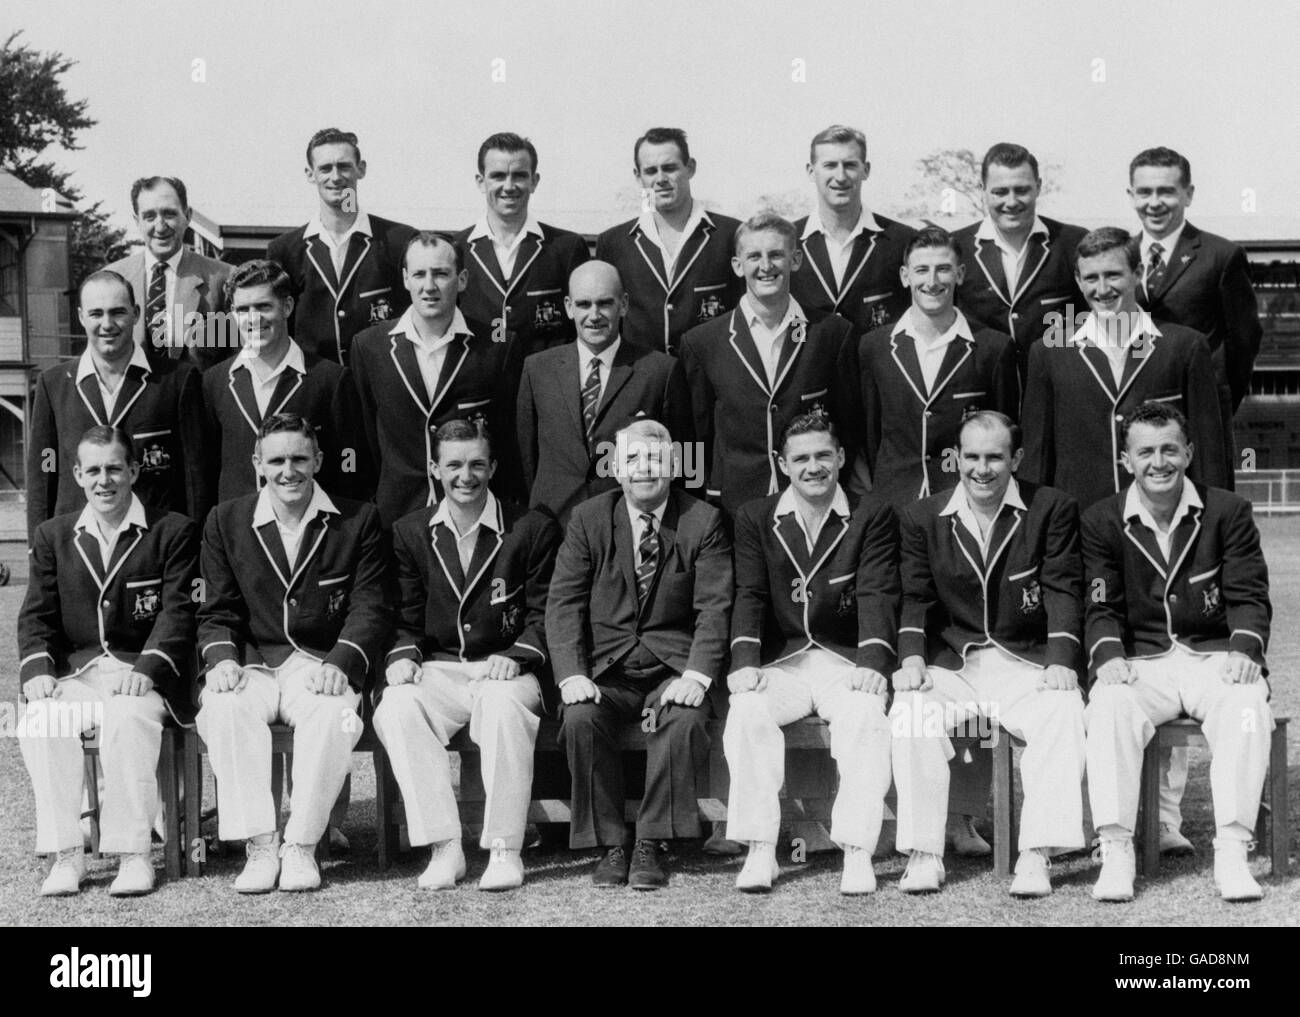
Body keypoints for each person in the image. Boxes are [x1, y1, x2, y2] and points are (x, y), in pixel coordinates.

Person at [1082, 401, 1273, 903]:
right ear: (1127, 460)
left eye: (1170, 449)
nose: (1159, 462)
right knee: (1108, 703)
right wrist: (1107, 655)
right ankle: (1117, 848)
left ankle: (1232, 849)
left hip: (1211, 656)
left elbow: (1249, 594)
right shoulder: (1102, 519)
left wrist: (1245, 649)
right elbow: (1099, 601)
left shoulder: (1228, 511)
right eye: (1145, 452)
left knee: (1248, 706)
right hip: (1145, 661)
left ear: (1188, 452)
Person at [890, 411, 1087, 897]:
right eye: (972, 457)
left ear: (1015, 458)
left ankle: (1037, 854)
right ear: (956, 458)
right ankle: (923, 853)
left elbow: (1064, 588)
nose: (982, 469)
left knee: (1063, 708)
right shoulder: (922, 515)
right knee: (911, 711)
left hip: (1024, 660)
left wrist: (1062, 657)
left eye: (995, 457)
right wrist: (911, 655)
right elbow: (915, 594)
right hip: (954, 662)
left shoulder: (1051, 508)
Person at [1128, 146, 1263, 847]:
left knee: (1193, 631)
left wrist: (1209, 413)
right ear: (1130, 193)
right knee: (1141, 637)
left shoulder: (1220, 256)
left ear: (1188, 191)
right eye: (1144, 191)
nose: (1155, 202)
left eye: (1167, 190)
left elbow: (1243, 342)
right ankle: (1133, 807)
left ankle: (1173, 813)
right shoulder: (1118, 256)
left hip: (1192, 453)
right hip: (1133, 465)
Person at [195, 413, 389, 893]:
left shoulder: (357, 519)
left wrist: (341, 663)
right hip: (254, 663)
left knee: (335, 714)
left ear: (318, 460)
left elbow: (372, 607)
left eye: (300, 458)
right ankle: (260, 844)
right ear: (257, 462)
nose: (289, 471)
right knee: (222, 707)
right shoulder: (226, 520)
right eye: (277, 459)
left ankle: (301, 845)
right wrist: (221, 660)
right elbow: (215, 610)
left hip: (319, 663)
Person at [546, 418, 733, 889]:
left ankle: (652, 842)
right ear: (615, 468)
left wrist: (696, 676)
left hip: (672, 670)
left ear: (674, 466)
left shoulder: (702, 521)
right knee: (579, 718)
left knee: (684, 720)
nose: (643, 468)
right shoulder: (589, 519)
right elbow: (564, 603)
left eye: (654, 459)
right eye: (631, 459)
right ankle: (611, 844)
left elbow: (714, 608)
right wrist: (571, 673)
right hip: (608, 671)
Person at [377, 419, 560, 891]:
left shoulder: (531, 527)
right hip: (441, 668)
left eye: (477, 464)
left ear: (493, 466)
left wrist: (519, 654)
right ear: (434, 468)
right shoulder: (409, 531)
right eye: (454, 465)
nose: (466, 476)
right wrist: (403, 654)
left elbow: (548, 612)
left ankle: (504, 848)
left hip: (506, 669)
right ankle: (444, 847)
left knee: (501, 705)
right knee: (397, 706)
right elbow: (404, 616)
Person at [18, 425, 198, 896]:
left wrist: (148, 669)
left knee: (125, 716)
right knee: (41, 718)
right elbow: (36, 615)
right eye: (93, 470)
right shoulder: (53, 535)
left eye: (115, 468)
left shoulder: (172, 530)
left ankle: (134, 854)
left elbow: (179, 612)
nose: (105, 480)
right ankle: (66, 855)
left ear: (134, 470)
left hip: (143, 676)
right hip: (80, 673)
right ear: (76, 475)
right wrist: (38, 670)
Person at [724, 413, 898, 894]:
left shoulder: (872, 513)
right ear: (782, 464)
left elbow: (879, 593)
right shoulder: (755, 517)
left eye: (823, 455)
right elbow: (750, 595)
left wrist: (874, 663)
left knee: (865, 714)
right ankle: (761, 848)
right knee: (746, 709)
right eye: (800, 458)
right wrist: (744, 663)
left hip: (845, 661)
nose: (813, 467)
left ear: (841, 458)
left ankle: (857, 851)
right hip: (785, 661)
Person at [680, 212, 854, 519]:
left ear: (795, 259)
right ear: (738, 266)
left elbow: (849, 426)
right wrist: (696, 502)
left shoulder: (830, 333)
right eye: (754, 256)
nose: (766, 266)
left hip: (815, 502)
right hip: (733, 508)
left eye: (776, 255)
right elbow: (694, 437)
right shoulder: (704, 342)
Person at [840, 225, 1019, 505]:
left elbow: (1006, 433)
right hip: (895, 502)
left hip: (964, 501)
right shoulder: (874, 347)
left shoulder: (993, 348)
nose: (932, 281)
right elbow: (871, 434)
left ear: (959, 274)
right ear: (904, 276)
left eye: (943, 269)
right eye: (922, 270)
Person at [351, 232, 518, 527]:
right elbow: (364, 439)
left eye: (441, 274)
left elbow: (506, 438)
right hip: (397, 517)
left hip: (475, 513)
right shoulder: (369, 346)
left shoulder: (497, 346)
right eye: (419, 274)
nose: (429, 286)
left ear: (462, 279)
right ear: (405, 279)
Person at [26, 270, 209, 539]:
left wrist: (196, 546)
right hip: (77, 551)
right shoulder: (53, 385)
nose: (107, 324)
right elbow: (45, 473)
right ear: (81, 317)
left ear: (135, 314)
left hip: (155, 546)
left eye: (118, 312)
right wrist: (38, 550)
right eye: (96, 314)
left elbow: (195, 476)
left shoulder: (177, 380)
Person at [516, 260, 691, 526]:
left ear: (624, 305)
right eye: (584, 304)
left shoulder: (660, 371)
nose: (594, 315)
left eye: (605, 303)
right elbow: (527, 459)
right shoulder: (538, 368)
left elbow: (685, 458)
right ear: (568, 307)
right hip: (553, 526)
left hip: (629, 526)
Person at [202, 259, 365, 503]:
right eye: (243, 310)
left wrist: (346, 508)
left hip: (311, 523)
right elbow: (207, 466)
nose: (253, 319)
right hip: (239, 530)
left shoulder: (330, 380)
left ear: (287, 306)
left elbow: (349, 455)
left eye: (263, 306)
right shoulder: (214, 381)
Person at [267, 128, 417, 364]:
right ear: (310, 174)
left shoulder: (399, 241)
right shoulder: (285, 250)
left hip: (381, 383)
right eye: (325, 168)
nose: (336, 177)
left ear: (361, 169)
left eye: (344, 166)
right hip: (317, 388)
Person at [595, 127, 742, 355]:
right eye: (651, 171)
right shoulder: (613, 243)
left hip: (711, 380)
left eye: (670, 168)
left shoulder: (731, 234)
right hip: (643, 383)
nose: (661, 179)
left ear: (690, 168)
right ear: (638, 176)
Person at [452, 132, 591, 359]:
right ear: (481, 181)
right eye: (497, 176)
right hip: (479, 384)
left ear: (534, 181)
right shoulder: (457, 248)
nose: (509, 186)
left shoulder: (566, 248)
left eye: (519, 176)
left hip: (547, 384)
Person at [954, 143, 1087, 378]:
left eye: (1022, 190)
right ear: (982, 190)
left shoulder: (1072, 242)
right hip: (984, 393)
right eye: (1000, 192)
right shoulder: (956, 248)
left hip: (1057, 387)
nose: (1012, 201)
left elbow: (1104, 317)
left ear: (1038, 187)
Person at [789, 124, 915, 333]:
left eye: (850, 165)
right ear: (811, 171)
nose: (841, 176)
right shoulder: (788, 241)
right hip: (807, 364)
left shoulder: (902, 241)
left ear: (865, 170)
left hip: (875, 365)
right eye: (830, 165)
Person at [106, 175, 233, 370]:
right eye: (149, 216)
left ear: (187, 216)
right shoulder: (111, 279)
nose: (160, 226)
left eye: (169, 214)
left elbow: (240, 355)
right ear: (137, 221)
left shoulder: (223, 278)